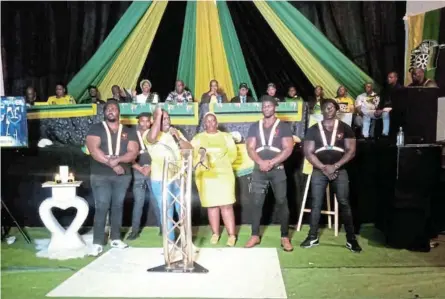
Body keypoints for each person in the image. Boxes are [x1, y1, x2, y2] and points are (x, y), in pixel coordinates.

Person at [301, 99, 362, 253]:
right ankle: (312, 237)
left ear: (336, 110)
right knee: (316, 203)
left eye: (331, 107)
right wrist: (323, 167)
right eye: (325, 108)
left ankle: (351, 239)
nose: (328, 110)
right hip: (319, 170)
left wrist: (335, 166)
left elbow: (351, 151)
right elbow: (308, 152)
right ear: (321, 111)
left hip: (339, 170)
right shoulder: (313, 129)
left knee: (344, 202)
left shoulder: (346, 128)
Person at [85, 100, 139, 256]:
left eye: (114, 108)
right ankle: (97, 242)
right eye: (108, 108)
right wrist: (113, 164)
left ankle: (115, 238)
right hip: (100, 175)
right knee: (102, 206)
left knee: (118, 206)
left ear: (119, 112)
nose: (111, 110)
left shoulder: (129, 131)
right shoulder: (96, 128)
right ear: (104, 112)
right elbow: (93, 150)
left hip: (122, 177)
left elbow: (132, 153)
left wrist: (119, 160)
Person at [244, 95, 294, 251]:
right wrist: (260, 162)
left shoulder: (284, 126)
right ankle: (254, 235)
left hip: (277, 170)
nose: (266, 108)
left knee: (282, 202)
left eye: (269, 106)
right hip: (259, 170)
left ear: (274, 107)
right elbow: (250, 148)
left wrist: (272, 162)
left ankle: (285, 237)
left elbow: (288, 148)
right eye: (264, 106)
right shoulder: (254, 126)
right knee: (257, 202)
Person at [146, 108, 193, 243]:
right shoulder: (149, 134)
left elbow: (189, 149)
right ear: (154, 121)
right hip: (161, 180)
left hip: (178, 179)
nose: (166, 121)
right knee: (167, 214)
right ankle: (170, 244)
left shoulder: (175, 132)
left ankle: (186, 242)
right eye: (162, 119)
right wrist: (158, 115)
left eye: (167, 118)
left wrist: (178, 138)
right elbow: (151, 137)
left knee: (183, 211)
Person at [191, 112, 238, 246]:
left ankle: (231, 235)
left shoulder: (226, 137)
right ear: (204, 124)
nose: (210, 123)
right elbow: (192, 154)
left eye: (213, 121)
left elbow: (233, 154)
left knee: (226, 205)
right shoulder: (198, 138)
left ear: (217, 123)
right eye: (208, 121)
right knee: (212, 206)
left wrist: (220, 163)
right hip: (207, 177)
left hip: (224, 175)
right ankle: (215, 234)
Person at [127, 112, 157, 240]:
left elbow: (160, 154)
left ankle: (163, 228)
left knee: (157, 201)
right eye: (142, 121)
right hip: (138, 172)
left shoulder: (155, 134)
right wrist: (139, 168)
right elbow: (127, 155)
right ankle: (134, 231)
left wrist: (150, 167)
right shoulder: (131, 135)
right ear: (138, 122)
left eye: (147, 121)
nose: (144, 123)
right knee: (138, 202)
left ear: (151, 122)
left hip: (154, 170)